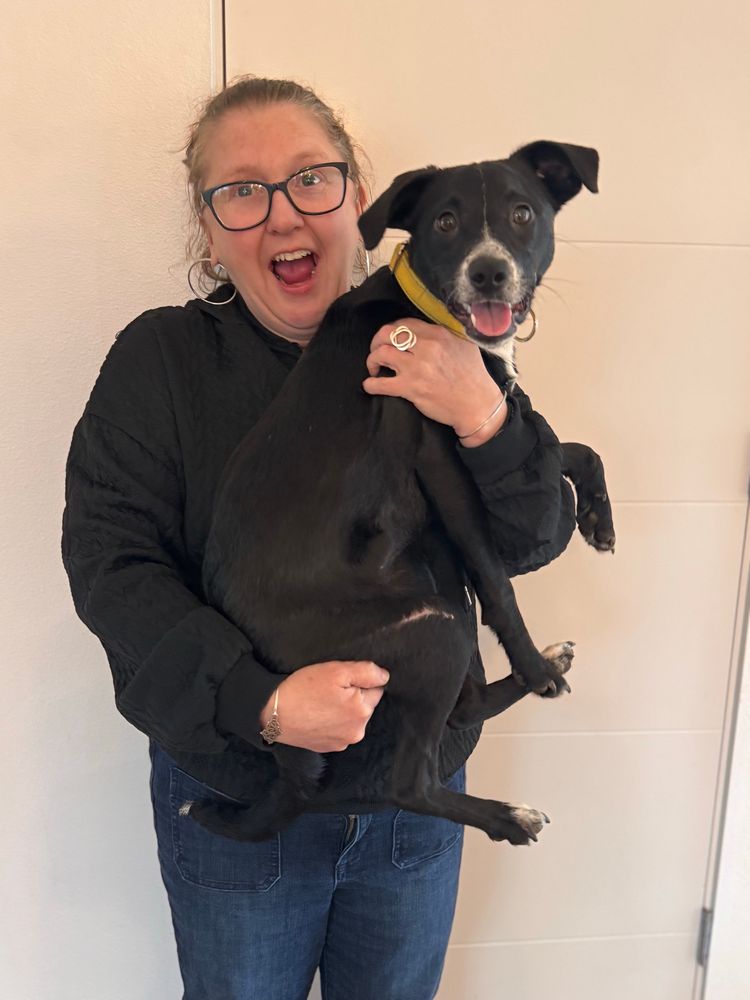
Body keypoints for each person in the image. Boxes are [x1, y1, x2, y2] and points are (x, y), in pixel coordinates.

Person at [61, 76, 576, 1000]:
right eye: (241, 191)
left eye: (311, 179)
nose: (281, 215)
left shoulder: (444, 336)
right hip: (251, 791)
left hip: (416, 805)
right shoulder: (163, 363)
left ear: (356, 199)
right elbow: (112, 567)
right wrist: (260, 701)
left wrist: (485, 416)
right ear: (208, 229)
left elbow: (535, 536)